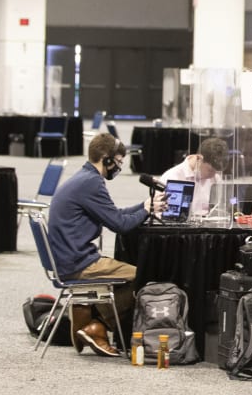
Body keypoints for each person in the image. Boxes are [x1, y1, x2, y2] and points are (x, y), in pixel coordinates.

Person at [47, 133, 163, 357]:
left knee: (127, 272)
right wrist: (147, 211)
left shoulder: (84, 178)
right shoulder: (91, 183)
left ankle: (93, 324)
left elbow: (113, 214)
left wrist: (144, 205)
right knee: (141, 276)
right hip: (79, 263)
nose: (119, 167)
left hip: (68, 258)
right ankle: (98, 328)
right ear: (106, 159)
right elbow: (119, 224)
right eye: (118, 162)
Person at [159, 136, 228, 216]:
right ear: (199, 158)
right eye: (210, 170)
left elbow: (223, 206)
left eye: (216, 171)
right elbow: (162, 213)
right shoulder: (172, 177)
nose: (213, 174)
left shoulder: (215, 177)